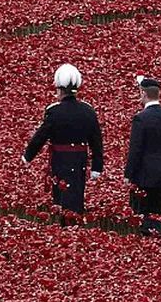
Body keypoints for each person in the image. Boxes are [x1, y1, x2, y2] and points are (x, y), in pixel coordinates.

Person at [22, 63, 104, 215]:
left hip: (60, 159)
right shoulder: (88, 111)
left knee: (61, 195)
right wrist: (97, 166)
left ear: (60, 89)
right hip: (80, 159)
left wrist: (28, 156)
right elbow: (96, 141)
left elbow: (41, 136)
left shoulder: (54, 111)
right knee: (77, 193)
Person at [124, 76, 161, 235]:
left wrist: (128, 174)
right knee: (158, 209)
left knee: (143, 211)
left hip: (144, 173)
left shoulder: (140, 118)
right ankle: (158, 236)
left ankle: (147, 238)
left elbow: (135, 149)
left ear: (143, 93)